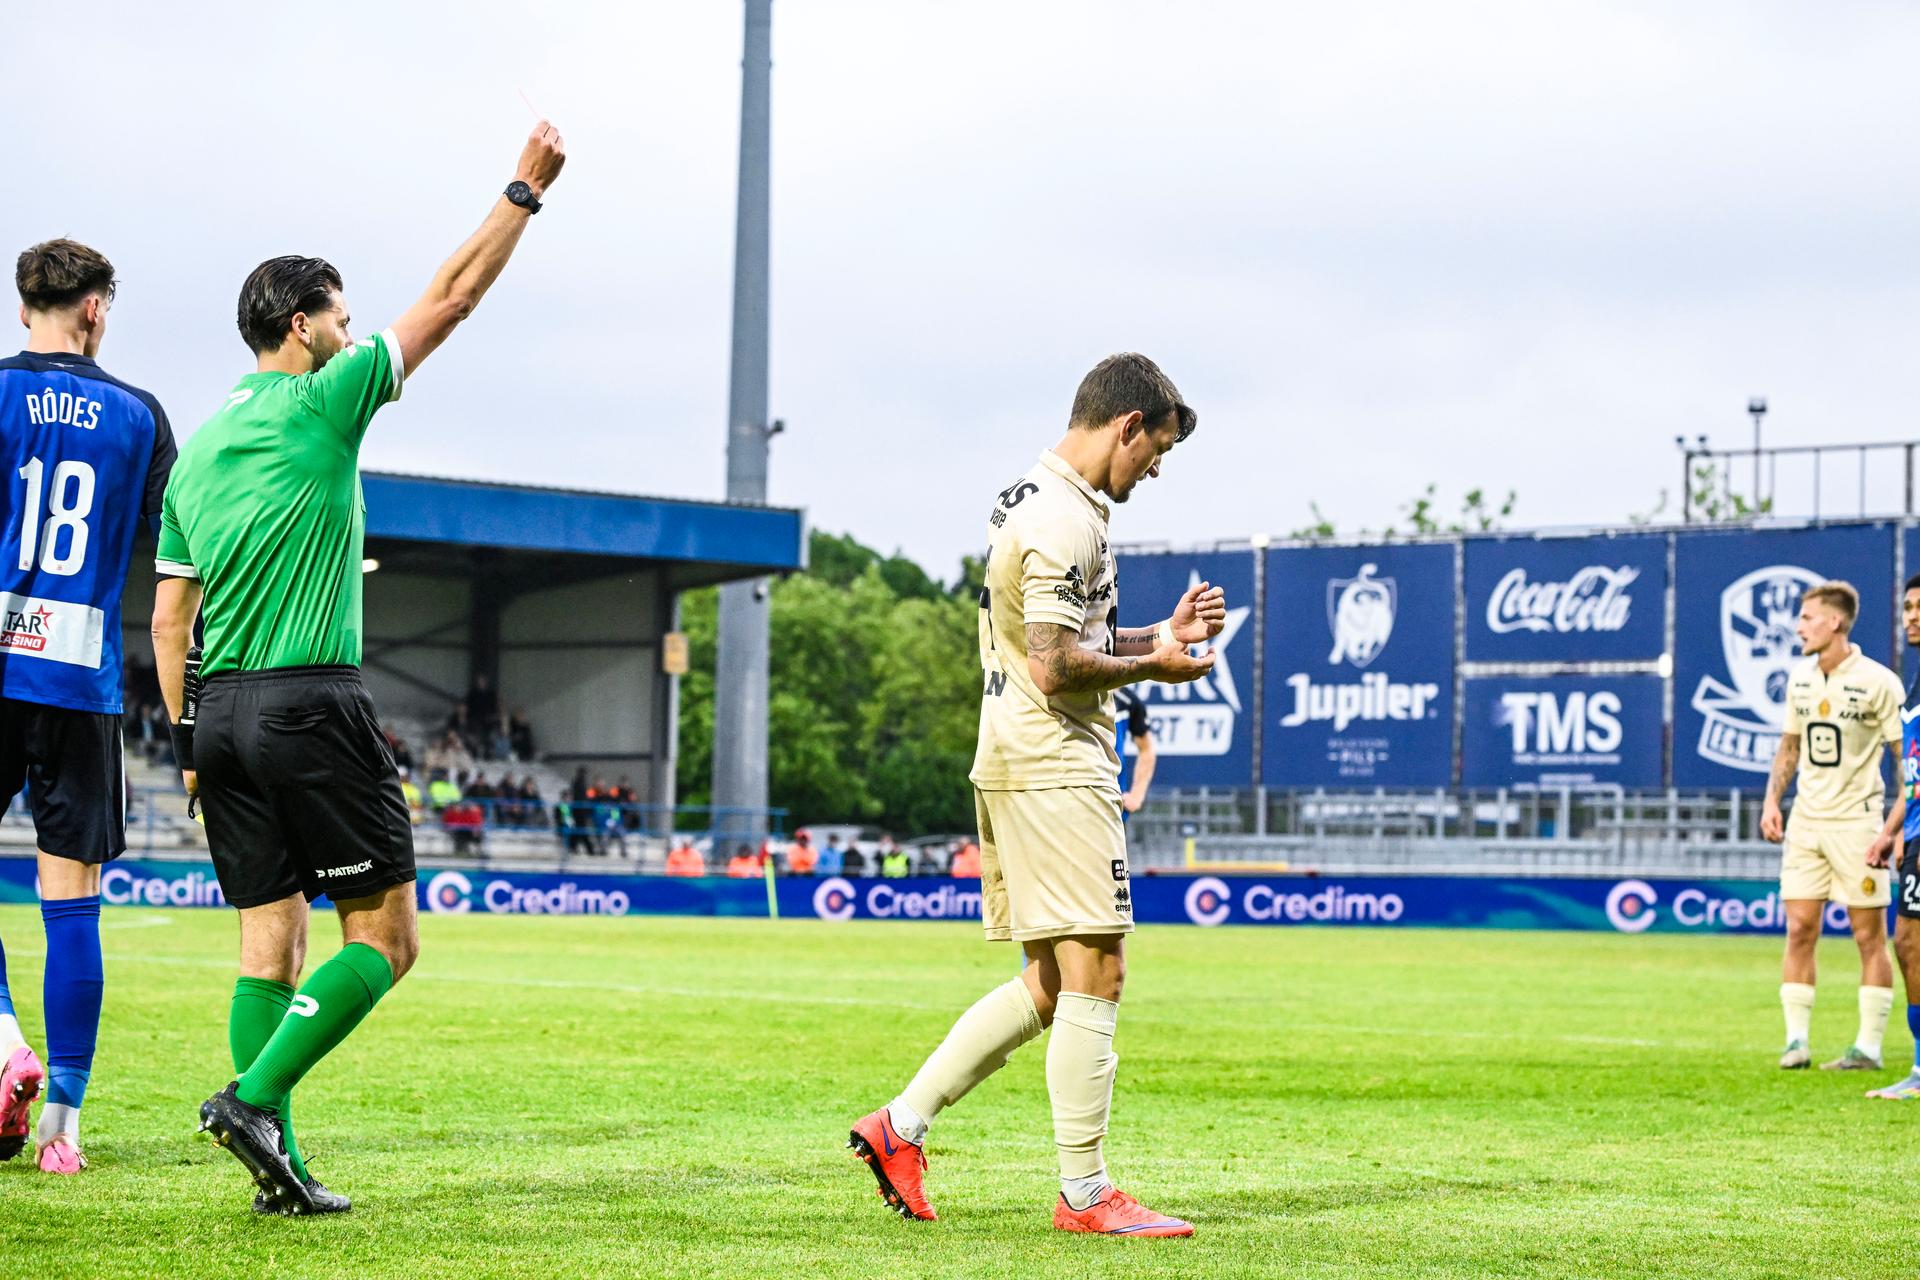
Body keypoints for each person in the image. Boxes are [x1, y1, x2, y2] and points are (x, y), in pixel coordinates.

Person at [149, 119, 566, 1215]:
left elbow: (165, 618)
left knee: (266, 942)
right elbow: (453, 295)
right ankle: (252, 1096)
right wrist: (520, 193)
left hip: (219, 716)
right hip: (307, 699)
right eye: (339, 311)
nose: (351, 325)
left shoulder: (195, 449)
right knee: (387, 934)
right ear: (302, 325)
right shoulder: (325, 398)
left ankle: (276, 1171)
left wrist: (186, 738)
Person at [847, 352, 1221, 1236]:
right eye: (1157, 450)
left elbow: (1055, 635)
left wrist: (1153, 634)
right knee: (1100, 970)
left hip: (1021, 753)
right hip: (1055, 757)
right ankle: (1086, 1194)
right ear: (1127, 425)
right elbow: (1055, 667)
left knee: (1051, 982)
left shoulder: (1038, 497)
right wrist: (1156, 668)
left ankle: (898, 1127)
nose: (1156, 469)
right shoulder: (1062, 518)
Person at [0, 238, 178, 1175]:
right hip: (80, 682)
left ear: (25, 300)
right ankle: (62, 1130)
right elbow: (182, 552)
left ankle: (2, 1046)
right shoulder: (141, 417)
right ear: (97, 309)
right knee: (72, 903)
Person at [1760, 581, 1905, 1073]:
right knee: (1799, 928)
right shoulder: (1800, 677)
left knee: (1868, 937)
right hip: (1805, 822)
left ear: (1835, 622)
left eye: (1807, 618)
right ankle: (1796, 1042)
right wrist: (1771, 802)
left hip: (1858, 824)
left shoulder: (1879, 681)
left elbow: (1907, 758)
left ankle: (1868, 1047)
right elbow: (1789, 746)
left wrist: (1897, 825)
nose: (1799, 627)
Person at [1870, 577, 1920, 1099]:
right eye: (1907, 606)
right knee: (1908, 942)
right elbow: (1915, 774)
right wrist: (1892, 830)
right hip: (1913, 831)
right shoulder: (1914, 683)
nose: (1912, 615)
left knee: (1909, 940)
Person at [1115, 688, 1157, 818]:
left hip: (1113, 805)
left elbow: (1147, 750)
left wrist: (1136, 795)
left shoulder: (1126, 701)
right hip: (1071, 799)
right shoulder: (1071, 696)